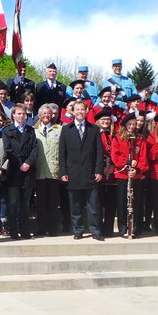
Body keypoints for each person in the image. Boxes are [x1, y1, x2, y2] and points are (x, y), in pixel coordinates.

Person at [59, 101, 105, 241]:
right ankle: (78, 230)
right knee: (75, 205)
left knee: (93, 206)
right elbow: (62, 153)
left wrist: (98, 170)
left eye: (82, 109)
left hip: (90, 173)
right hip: (72, 173)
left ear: (86, 111)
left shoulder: (94, 129)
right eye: (77, 109)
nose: (79, 112)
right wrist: (63, 172)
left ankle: (95, 230)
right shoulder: (66, 129)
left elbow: (99, 152)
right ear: (73, 112)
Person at [2, 104, 38, 239]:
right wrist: (20, 164)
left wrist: (28, 163)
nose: (21, 116)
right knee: (13, 203)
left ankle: (24, 230)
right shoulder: (7, 131)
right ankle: (13, 231)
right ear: (13, 115)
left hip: (27, 171)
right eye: (19, 113)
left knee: (25, 204)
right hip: (14, 171)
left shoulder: (30, 130)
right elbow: (8, 149)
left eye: (23, 114)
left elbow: (35, 148)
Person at [111, 112, 149, 237]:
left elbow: (144, 158)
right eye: (130, 124)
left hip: (136, 175)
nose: (132, 126)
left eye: (134, 124)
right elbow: (115, 157)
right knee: (122, 202)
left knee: (136, 202)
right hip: (122, 175)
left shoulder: (140, 140)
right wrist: (127, 163)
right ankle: (123, 228)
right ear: (125, 125)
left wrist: (138, 170)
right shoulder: (117, 138)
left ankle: (135, 228)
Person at [33, 103, 62, 236]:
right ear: (39, 115)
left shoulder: (59, 130)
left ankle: (53, 228)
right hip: (39, 171)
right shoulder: (34, 131)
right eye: (43, 113)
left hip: (54, 171)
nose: (46, 115)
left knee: (53, 202)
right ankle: (41, 227)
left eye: (48, 113)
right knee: (41, 202)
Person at [95, 110, 118, 237]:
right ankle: (98, 228)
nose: (105, 122)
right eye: (103, 120)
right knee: (98, 203)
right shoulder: (94, 134)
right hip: (99, 172)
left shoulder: (114, 135)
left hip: (112, 173)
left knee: (110, 204)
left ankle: (109, 229)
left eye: (107, 120)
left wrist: (113, 166)